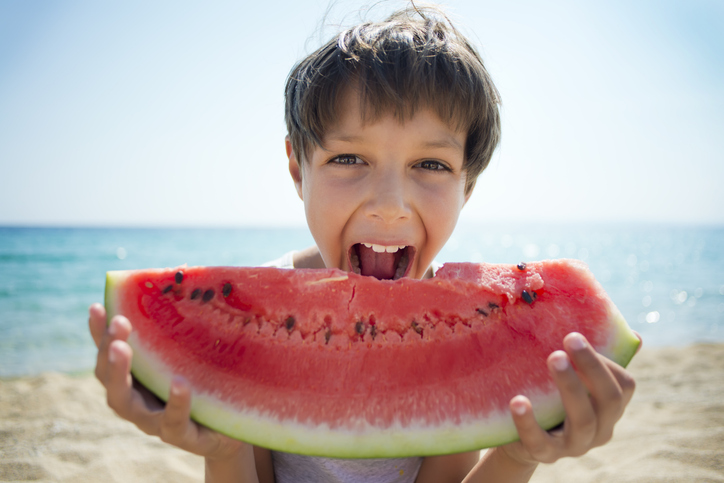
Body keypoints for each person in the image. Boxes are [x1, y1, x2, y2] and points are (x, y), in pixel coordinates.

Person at [88, 5, 638, 482]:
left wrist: (517, 456)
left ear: (467, 185)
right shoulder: (247, 319)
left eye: (431, 164)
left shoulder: (471, 328)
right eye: (348, 159)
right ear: (297, 169)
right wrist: (222, 445)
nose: (390, 203)